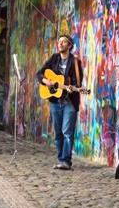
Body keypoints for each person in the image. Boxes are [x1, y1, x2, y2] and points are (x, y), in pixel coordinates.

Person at [36, 34, 85, 171]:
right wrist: (46, 81)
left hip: (69, 102)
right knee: (58, 133)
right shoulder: (54, 59)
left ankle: (66, 161)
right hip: (55, 101)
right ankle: (60, 158)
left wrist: (72, 88)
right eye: (59, 41)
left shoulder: (75, 62)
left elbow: (78, 83)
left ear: (69, 45)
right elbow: (40, 74)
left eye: (64, 42)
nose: (60, 44)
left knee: (67, 132)